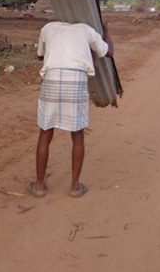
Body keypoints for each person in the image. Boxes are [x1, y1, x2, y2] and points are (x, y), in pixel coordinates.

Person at [28, 20, 114, 199]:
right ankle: (75, 187)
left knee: (45, 132)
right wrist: (106, 30)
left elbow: (39, 56)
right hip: (76, 80)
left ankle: (39, 186)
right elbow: (109, 52)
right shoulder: (87, 30)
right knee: (77, 134)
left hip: (51, 78)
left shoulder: (48, 27)